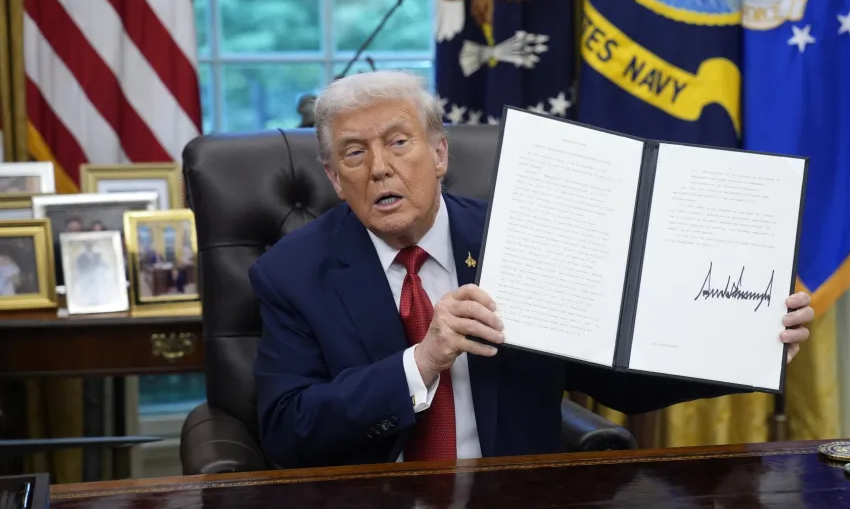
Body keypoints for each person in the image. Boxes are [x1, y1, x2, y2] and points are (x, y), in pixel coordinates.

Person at [249, 71, 815, 470]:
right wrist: (421, 362)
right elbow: (287, 430)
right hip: (374, 495)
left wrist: (745, 346)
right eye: (354, 153)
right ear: (332, 176)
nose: (380, 168)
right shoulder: (292, 273)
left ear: (440, 154)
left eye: (399, 142)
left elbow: (618, 377)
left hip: (514, 493)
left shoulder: (522, 239)